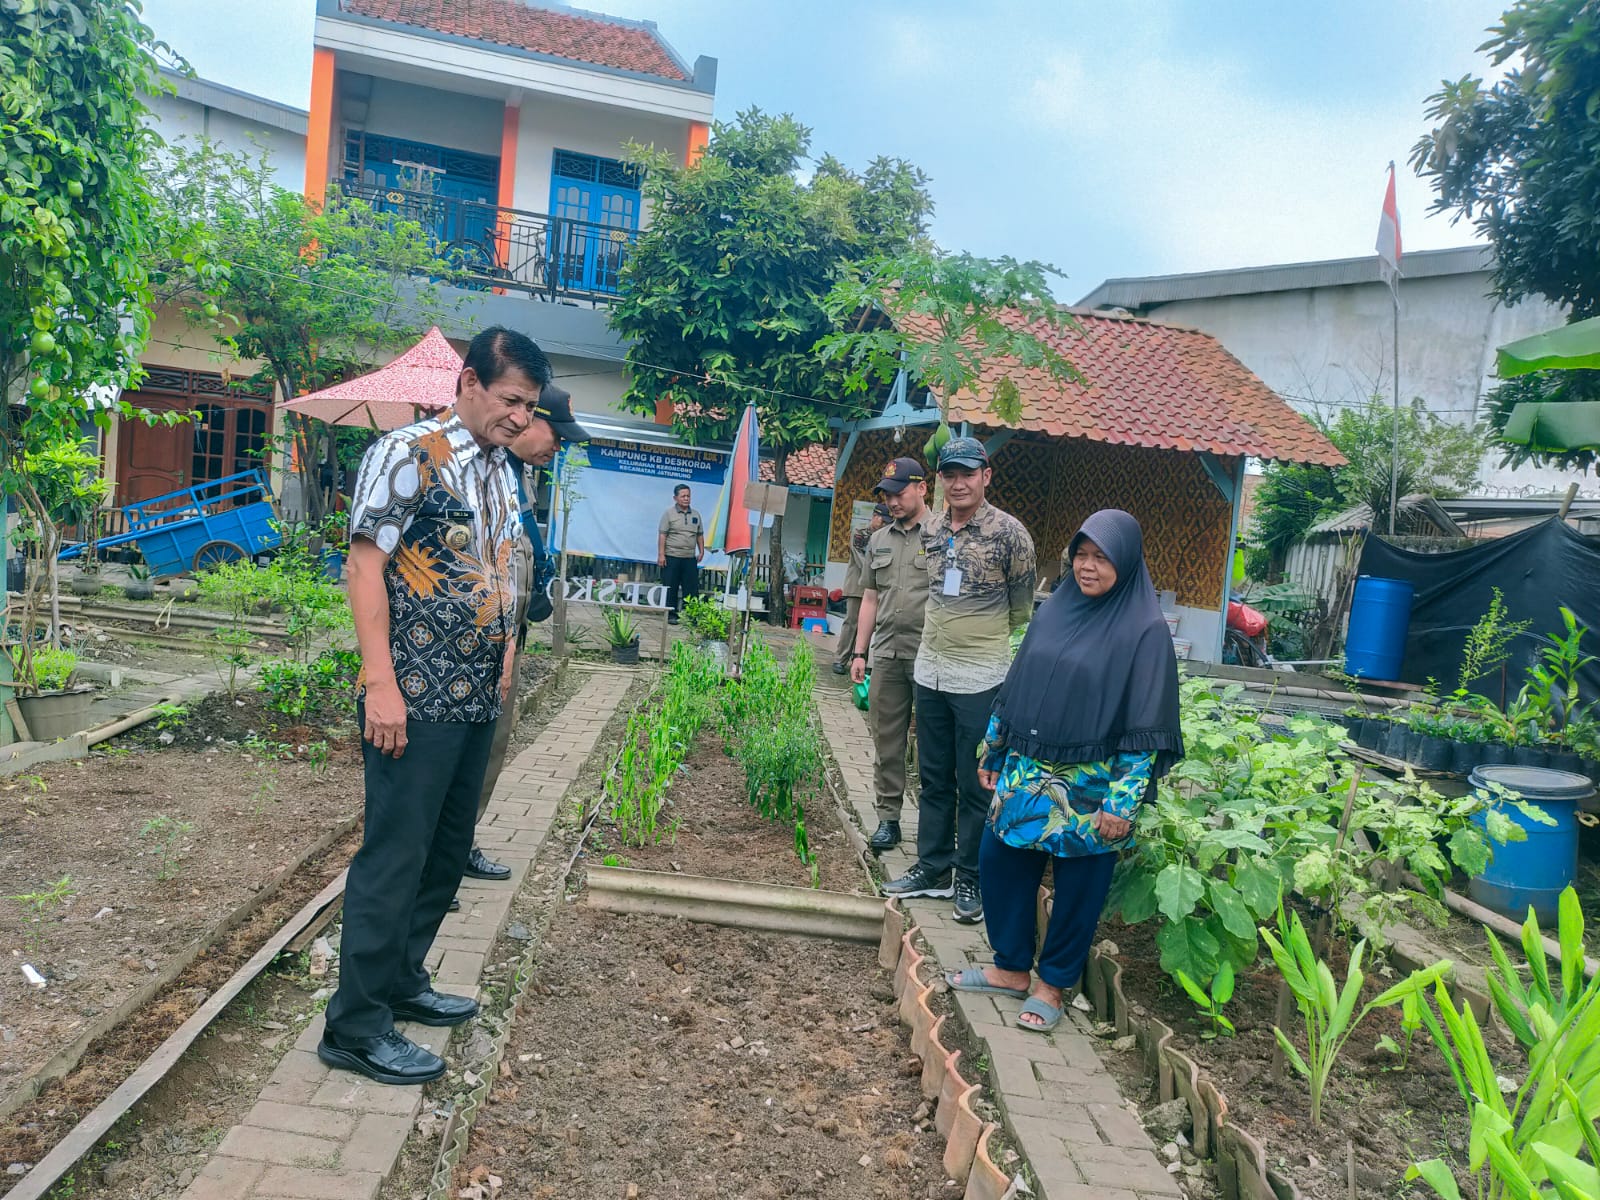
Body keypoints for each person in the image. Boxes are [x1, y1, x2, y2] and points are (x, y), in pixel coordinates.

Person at [320, 326, 580, 1086]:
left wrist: (503, 657)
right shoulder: (410, 454)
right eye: (510, 401)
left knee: (442, 853)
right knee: (394, 855)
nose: (521, 418)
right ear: (468, 381)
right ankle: (355, 1025)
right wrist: (380, 684)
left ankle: (403, 980)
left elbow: (498, 567)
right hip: (413, 695)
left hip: (473, 697)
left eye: (528, 406)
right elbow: (365, 567)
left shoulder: (499, 468)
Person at [945, 510, 1183, 1032]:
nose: (1088, 567)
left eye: (1102, 558)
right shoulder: (1052, 611)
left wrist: (1122, 803)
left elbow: (1147, 724)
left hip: (1092, 787)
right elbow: (1020, 682)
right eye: (1082, 554)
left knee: (1078, 889)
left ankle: (1052, 983)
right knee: (1000, 860)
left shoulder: (1144, 631)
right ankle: (1009, 968)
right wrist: (995, 747)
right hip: (1028, 771)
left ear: (1125, 562)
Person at [883, 437, 1035, 925]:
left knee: (975, 782)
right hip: (930, 671)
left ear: (986, 477)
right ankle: (932, 866)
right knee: (932, 777)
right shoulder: (930, 530)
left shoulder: (1011, 535)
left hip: (980, 678)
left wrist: (975, 639)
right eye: (949, 474)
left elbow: (1019, 609)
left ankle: (968, 874)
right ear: (940, 481)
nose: (959, 483)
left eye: (968, 473)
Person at [460, 386, 590, 897]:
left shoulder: (517, 476)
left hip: (508, 633)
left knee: (492, 743)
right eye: (555, 436)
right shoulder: (478, 473)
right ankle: (437, 858)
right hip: (474, 638)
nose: (557, 447)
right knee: (464, 746)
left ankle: (458, 843)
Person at [849, 460, 932, 853]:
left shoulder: (942, 536)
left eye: (900, 492)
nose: (892, 501)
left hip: (931, 657)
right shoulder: (879, 541)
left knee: (934, 745)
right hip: (887, 654)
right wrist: (859, 651)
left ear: (922, 489)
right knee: (887, 740)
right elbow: (869, 597)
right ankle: (888, 818)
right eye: (888, 494)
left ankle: (934, 826)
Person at [832, 502, 889, 675]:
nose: (885, 523)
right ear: (875, 516)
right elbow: (860, 558)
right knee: (851, 622)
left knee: (868, 625)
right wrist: (877, 572)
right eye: (883, 520)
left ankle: (860, 660)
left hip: (875, 586)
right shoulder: (860, 533)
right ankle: (840, 659)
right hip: (857, 585)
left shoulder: (885, 536)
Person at [657, 484, 704, 624]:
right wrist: (661, 555)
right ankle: (671, 614)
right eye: (683, 496)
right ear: (675, 498)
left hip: (689, 558)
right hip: (671, 556)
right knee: (670, 586)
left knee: (691, 588)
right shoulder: (668, 514)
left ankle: (690, 615)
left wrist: (701, 550)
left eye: (688, 496)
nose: (686, 498)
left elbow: (700, 534)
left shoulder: (696, 514)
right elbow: (662, 535)